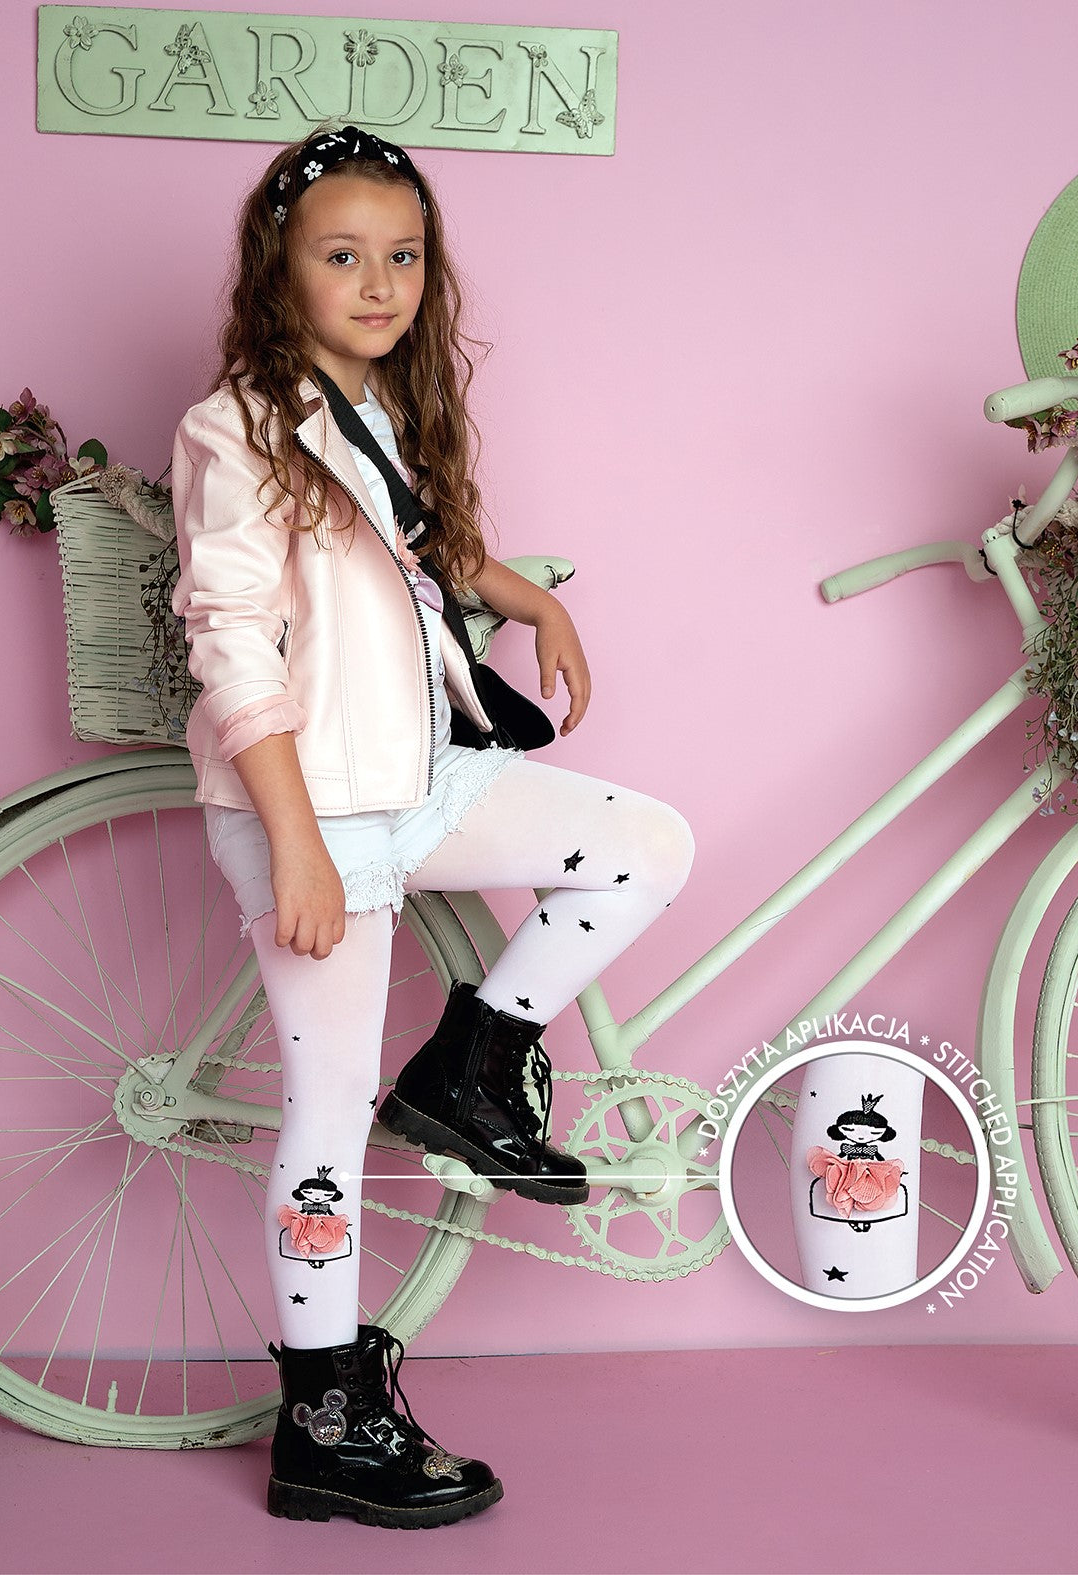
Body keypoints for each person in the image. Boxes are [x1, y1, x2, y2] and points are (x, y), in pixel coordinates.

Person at [171, 124, 695, 1530]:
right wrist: (295, 846)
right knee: (328, 1112)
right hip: (313, 809)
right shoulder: (234, 429)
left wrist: (530, 598)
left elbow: (407, 542)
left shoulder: (370, 411)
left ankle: (473, 1060)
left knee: (646, 844)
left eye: (402, 257)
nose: (378, 283)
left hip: (416, 780)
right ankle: (326, 1422)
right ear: (279, 270)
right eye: (343, 255)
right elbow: (233, 645)